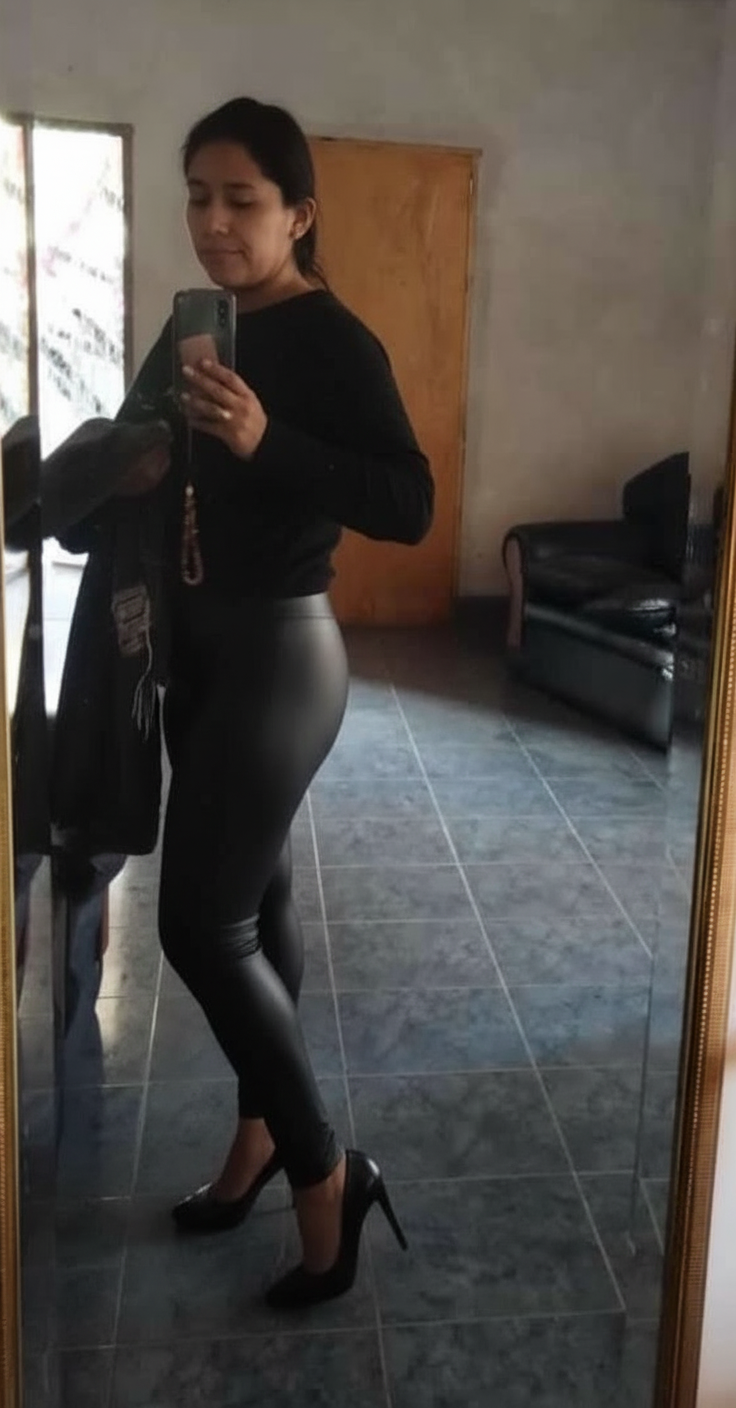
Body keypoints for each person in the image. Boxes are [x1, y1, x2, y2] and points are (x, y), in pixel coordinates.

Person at [57, 96, 433, 1310]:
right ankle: (256, 1137)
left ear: (298, 213)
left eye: (242, 200)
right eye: (198, 198)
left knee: (198, 927)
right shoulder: (189, 329)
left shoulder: (334, 342)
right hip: (195, 656)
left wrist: (268, 439)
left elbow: (409, 502)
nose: (214, 222)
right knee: (256, 908)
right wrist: (131, 458)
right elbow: (131, 462)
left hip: (282, 655)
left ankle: (326, 1168)